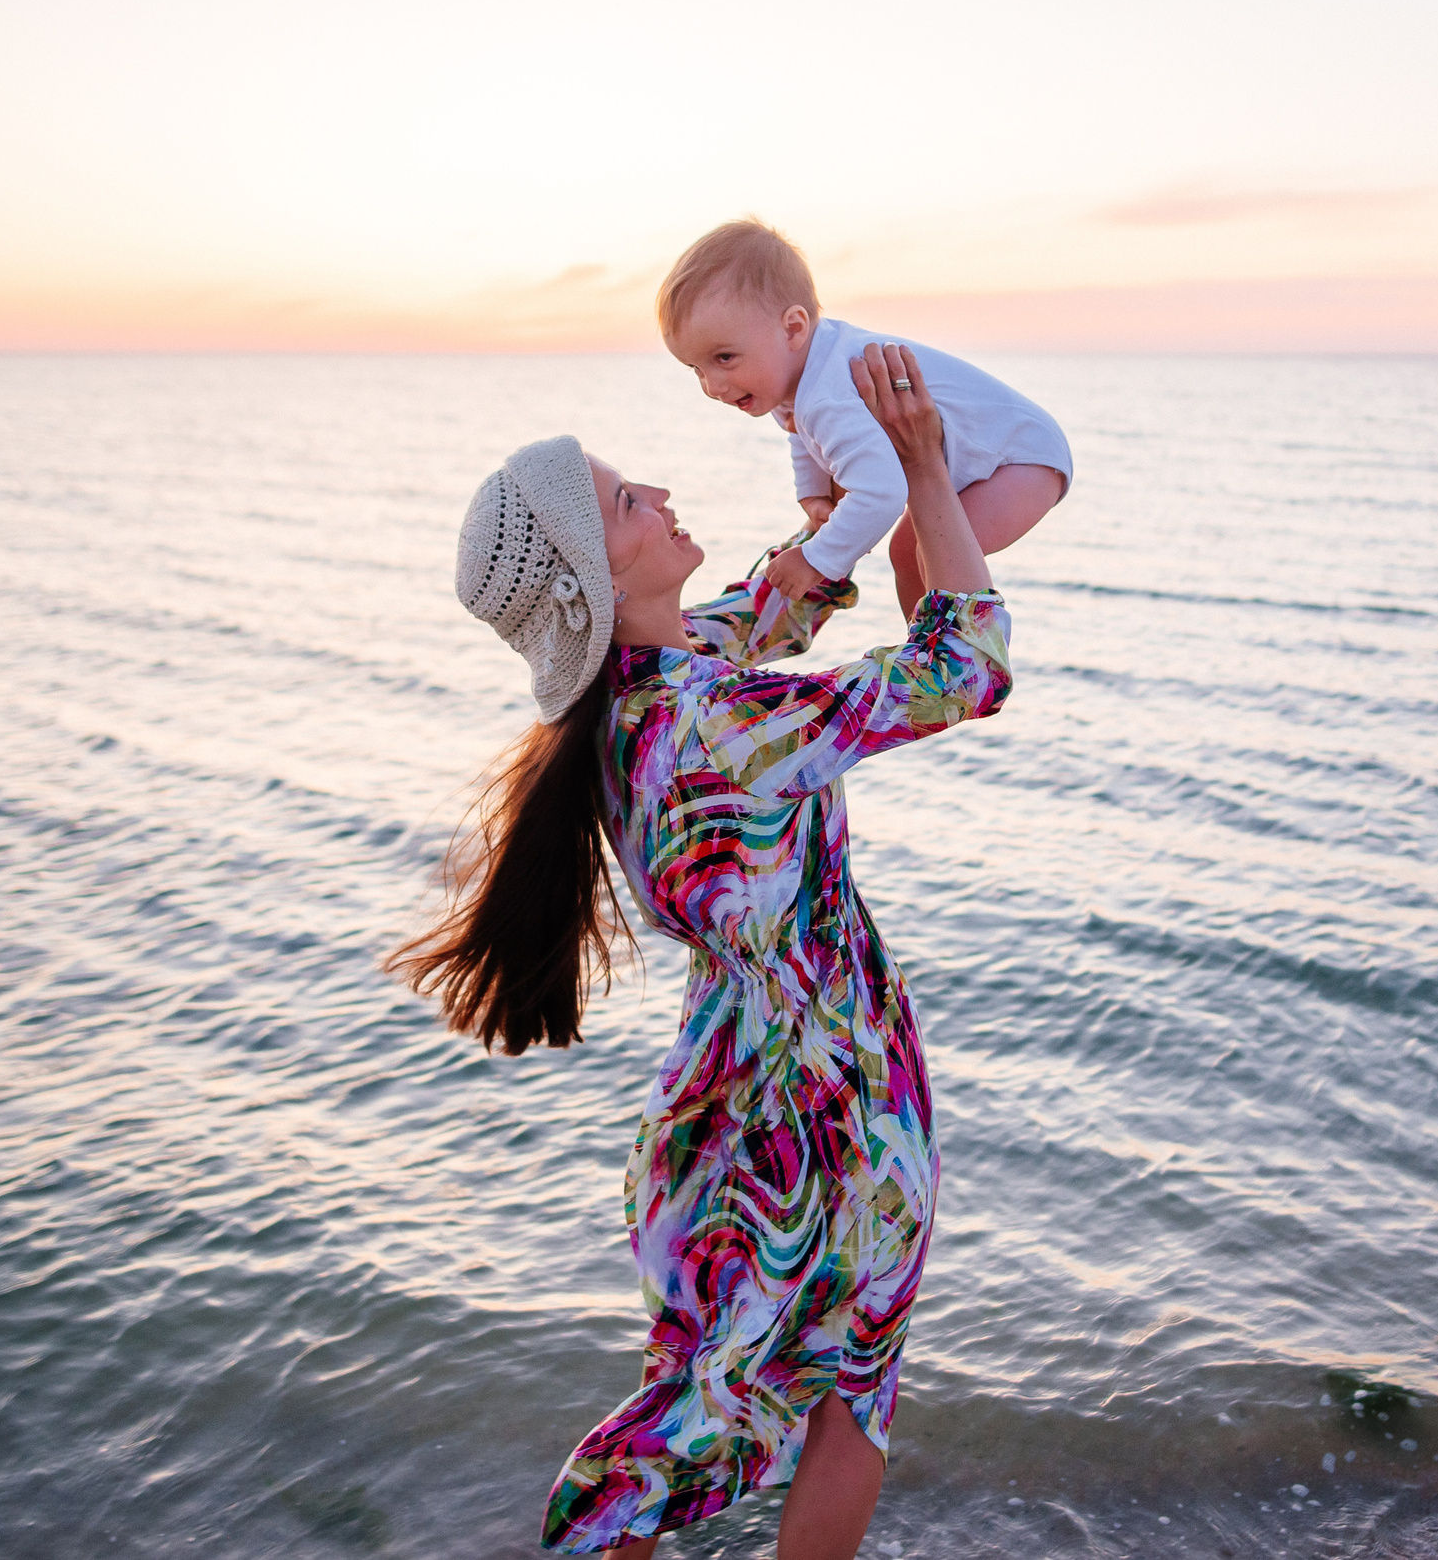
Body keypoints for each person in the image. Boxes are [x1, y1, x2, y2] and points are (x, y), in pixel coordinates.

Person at [394, 344, 1012, 1557]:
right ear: (595, 571)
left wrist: (837, 482)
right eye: (629, 501)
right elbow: (966, 670)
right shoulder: (714, 721)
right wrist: (931, 474)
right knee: (848, 1386)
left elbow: (781, 601)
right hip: (832, 1106)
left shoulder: (633, 703)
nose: (662, 494)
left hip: (713, 1117)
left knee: (689, 1414)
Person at [658, 218, 1073, 622]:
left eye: (724, 358)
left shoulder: (828, 391)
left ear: (793, 328)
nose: (712, 385)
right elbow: (799, 433)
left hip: (1020, 457)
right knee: (907, 553)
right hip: (999, 455)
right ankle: (923, 652)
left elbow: (880, 494)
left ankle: (944, 660)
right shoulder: (794, 378)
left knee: (936, 559)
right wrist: (814, 493)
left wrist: (814, 557)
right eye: (695, 368)